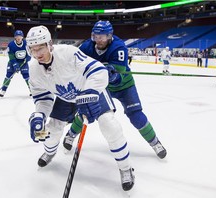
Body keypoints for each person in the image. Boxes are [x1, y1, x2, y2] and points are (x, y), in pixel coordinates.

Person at [26, 25, 135, 191]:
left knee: (109, 125)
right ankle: (50, 151)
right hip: (66, 97)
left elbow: (98, 70)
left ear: (49, 44)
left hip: (90, 90)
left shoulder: (68, 53)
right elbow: (42, 97)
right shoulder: (33, 68)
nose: (37, 53)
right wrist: (39, 115)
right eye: (33, 49)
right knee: (48, 131)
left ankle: (126, 168)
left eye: (40, 47)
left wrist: (89, 93)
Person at [63, 20, 167, 159]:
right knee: (86, 110)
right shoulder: (87, 47)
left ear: (110, 36)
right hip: (102, 87)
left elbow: (119, 79)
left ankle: (155, 142)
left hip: (125, 86)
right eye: (96, 36)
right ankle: (71, 135)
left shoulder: (118, 47)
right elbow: (76, 64)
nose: (99, 40)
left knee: (136, 115)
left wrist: (113, 75)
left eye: (103, 37)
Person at [0, 30, 31, 97]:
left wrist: (28, 57)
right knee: (8, 75)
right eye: (17, 36)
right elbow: (11, 56)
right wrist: (15, 64)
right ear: (15, 37)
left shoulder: (26, 43)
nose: (18, 38)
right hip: (12, 62)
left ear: (22, 37)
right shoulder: (11, 45)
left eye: (20, 36)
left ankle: (32, 90)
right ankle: (3, 90)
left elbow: (29, 52)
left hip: (23, 62)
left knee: (26, 76)